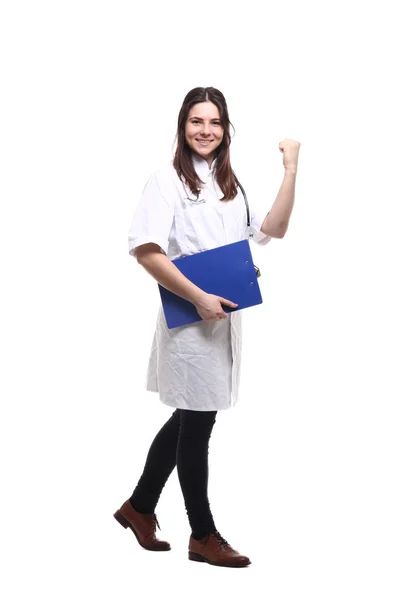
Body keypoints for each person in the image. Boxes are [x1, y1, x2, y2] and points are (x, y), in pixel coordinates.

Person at [114, 87, 300, 568]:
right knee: (196, 424)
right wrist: (198, 297)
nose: (206, 131)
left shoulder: (230, 185)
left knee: (189, 417)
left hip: (221, 323)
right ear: (183, 127)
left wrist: (291, 171)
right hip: (190, 326)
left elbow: (271, 231)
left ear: (226, 130)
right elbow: (146, 250)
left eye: (215, 123)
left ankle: (138, 507)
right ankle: (203, 534)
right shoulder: (165, 181)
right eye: (197, 121)